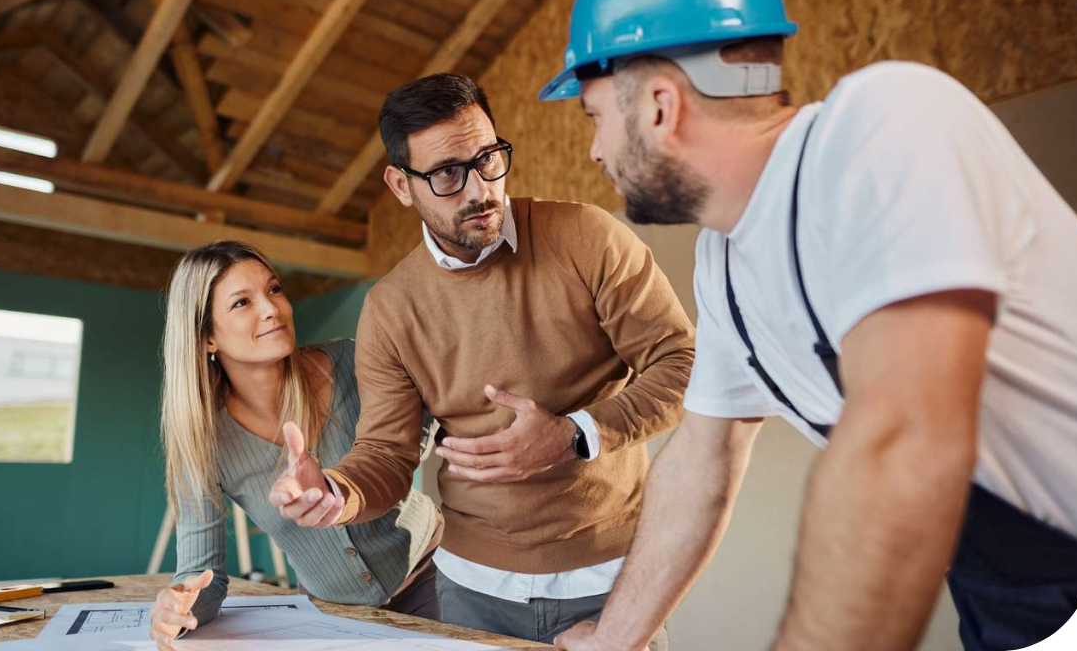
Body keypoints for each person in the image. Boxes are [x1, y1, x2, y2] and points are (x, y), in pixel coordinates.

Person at [534, 0, 1077, 650]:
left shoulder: (886, 124)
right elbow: (703, 463)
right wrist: (614, 641)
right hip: (1008, 592)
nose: (594, 151)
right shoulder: (724, 262)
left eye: (595, 117)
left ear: (661, 107)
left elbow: (902, 445)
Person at [268, 73, 695, 646]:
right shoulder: (391, 309)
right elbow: (389, 454)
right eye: (447, 173)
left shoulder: (590, 238)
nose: (480, 190)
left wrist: (574, 434)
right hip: (471, 592)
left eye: (489, 158)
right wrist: (338, 492)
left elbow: (683, 363)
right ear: (400, 185)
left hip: (612, 578)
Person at [149, 241, 442, 651]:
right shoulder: (202, 443)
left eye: (274, 290)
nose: (272, 309)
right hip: (332, 616)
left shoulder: (351, 362)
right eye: (241, 303)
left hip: (434, 573)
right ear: (207, 338)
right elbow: (204, 576)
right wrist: (181, 606)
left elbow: (420, 429)